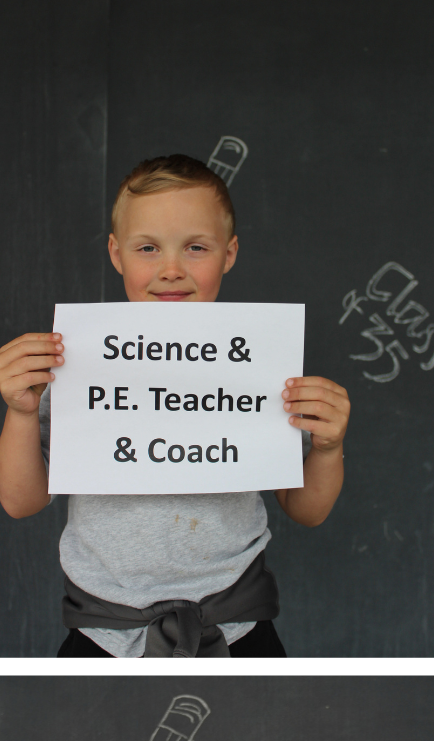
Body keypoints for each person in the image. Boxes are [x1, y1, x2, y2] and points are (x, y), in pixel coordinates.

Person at [0, 155, 352, 656]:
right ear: (115, 253)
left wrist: (328, 448)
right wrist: (19, 412)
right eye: (147, 248)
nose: (171, 270)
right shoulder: (77, 367)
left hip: (238, 629)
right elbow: (21, 501)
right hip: (104, 633)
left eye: (195, 248)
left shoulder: (259, 368)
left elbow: (307, 510)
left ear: (229, 254)